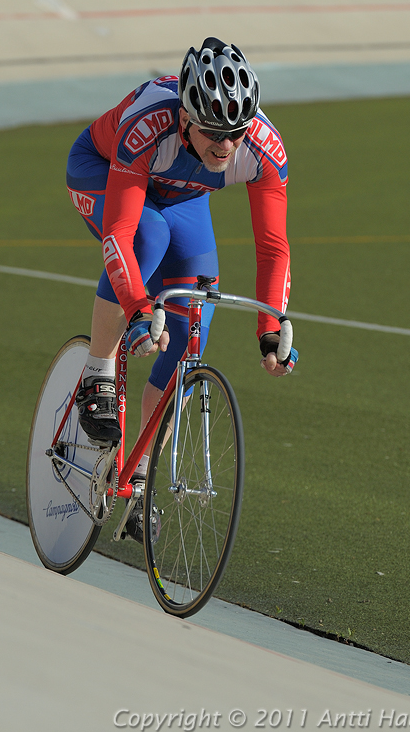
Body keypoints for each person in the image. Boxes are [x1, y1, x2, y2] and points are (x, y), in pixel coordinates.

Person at [66, 37, 296, 538]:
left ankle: (140, 476)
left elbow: (273, 249)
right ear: (186, 117)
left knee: (193, 325)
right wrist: (137, 306)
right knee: (148, 236)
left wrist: (270, 326)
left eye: (235, 132)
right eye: (213, 131)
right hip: (102, 171)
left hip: (182, 198)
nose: (226, 145)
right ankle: (97, 373)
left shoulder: (262, 147)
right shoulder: (149, 124)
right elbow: (120, 235)